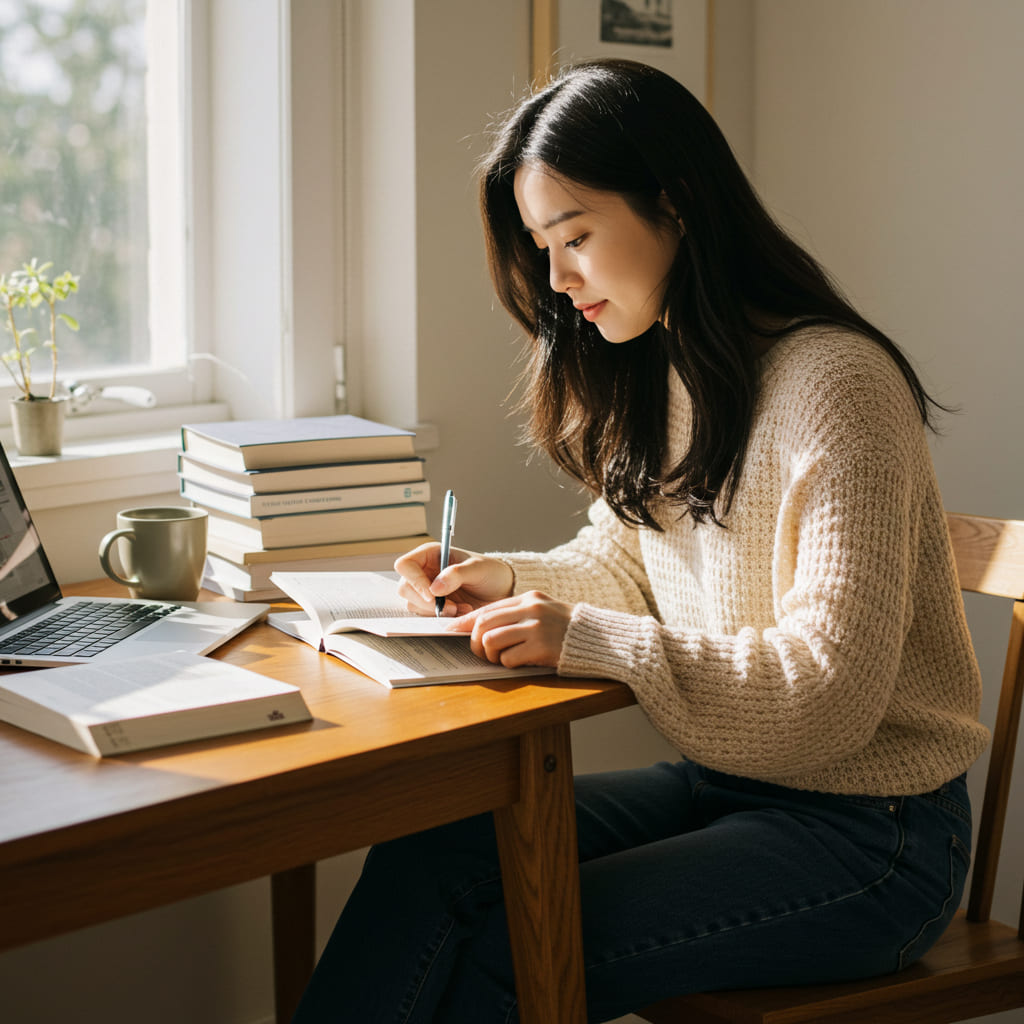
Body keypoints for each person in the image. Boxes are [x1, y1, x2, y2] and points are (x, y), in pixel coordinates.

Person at [291, 58, 989, 1023]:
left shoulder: (838, 384)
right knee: (430, 858)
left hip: (877, 838)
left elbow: (828, 692)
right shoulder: (671, 368)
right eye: (541, 246)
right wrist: (503, 578)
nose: (556, 278)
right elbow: (629, 559)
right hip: (732, 789)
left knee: (519, 938)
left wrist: (578, 635)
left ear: (677, 203)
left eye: (574, 236)